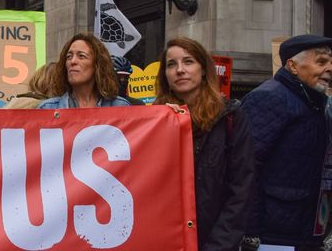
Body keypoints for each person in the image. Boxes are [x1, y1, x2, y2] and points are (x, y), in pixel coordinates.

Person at [154, 37, 253, 250]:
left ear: (203, 69)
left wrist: (219, 245)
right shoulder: (152, 121)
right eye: (171, 64)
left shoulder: (231, 116)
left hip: (215, 241)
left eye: (188, 61)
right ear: (165, 75)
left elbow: (242, 188)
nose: (180, 70)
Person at [242, 35, 332, 249]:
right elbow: (245, 168)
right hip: (272, 237)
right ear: (292, 65)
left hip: (305, 232)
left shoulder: (318, 103)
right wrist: (250, 233)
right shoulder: (269, 98)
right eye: (321, 62)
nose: (330, 68)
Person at [38, 33, 131, 109]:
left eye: (81, 56)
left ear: (97, 64)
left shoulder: (119, 106)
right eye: (69, 57)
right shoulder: (48, 108)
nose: (73, 61)